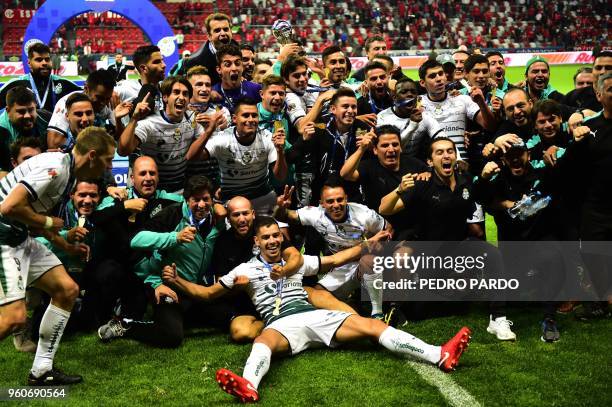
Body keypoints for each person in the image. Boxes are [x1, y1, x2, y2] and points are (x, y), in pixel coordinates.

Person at [161, 216, 471, 403]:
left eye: (275, 236)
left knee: (371, 326)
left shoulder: (296, 262)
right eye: (265, 237)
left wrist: (369, 244)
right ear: (256, 241)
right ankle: (248, 387)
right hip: (280, 323)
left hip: (315, 316)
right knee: (262, 341)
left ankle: (439, 354)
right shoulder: (245, 270)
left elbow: (336, 260)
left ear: (281, 239)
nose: (272, 241)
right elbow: (207, 293)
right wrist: (177, 281)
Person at [0, 126, 115, 385]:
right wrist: (51, 224)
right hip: (3, 239)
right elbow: (9, 207)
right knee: (14, 318)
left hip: (17, 237)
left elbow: (28, 214)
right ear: (93, 156)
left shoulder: (68, 171)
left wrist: (65, 246)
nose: (109, 168)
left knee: (66, 290)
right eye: (108, 161)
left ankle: (41, 370)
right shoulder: (56, 168)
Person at [379, 137, 515, 340]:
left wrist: (485, 179)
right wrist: (399, 190)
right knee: (421, 311)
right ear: (430, 161)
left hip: (458, 247)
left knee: (491, 253)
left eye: (450, 151)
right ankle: (396, 307)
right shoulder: (421, 183)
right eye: (440, 152)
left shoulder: (465, 180)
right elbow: (384, 208)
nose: (446, 156)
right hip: (428, 252)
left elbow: (483, 198)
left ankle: (498, 319)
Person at [97, 176, 230, 348]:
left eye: (206, 199)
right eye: (196, 200)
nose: (201, 205)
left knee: (228, 318)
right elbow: (136, 240)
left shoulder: (215, 219)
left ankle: (184, 315)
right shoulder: (172, 214)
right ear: (186, 199)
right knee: (172, 336)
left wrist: (222, 208)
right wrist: (175, 237)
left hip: (194, 288)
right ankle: (125, 324)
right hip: (168, 286)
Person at [275, 179, 393, 318]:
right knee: (317, 296)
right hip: (342, 265)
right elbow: (284, 215)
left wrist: (378, 247)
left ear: (346, 199)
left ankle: (377, 312)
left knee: (369, 260)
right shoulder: (315, 214)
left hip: (369, 261)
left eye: (340, 200)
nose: (336, 205)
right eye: (330, 201)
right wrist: (281, 207)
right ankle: (353, 305)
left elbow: (388, 229)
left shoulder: (364, 214)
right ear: (322, 203)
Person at [90, 156, 183, 322]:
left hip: (150, 269)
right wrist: (124, 206)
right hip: (120, 265)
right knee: (108, 274)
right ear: (132, 178)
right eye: (143, 173)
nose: (148, 178)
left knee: (135, 313)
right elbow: (95, 217)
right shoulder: (119, 197)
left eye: (152, 173)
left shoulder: (170, 200)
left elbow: (196, 203)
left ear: (158, 177)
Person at [557, 72, 612, 319]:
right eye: (611, 90)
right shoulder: (589, 129)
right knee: (594, 254)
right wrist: (574, 143)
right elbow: (570, 167)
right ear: (599, 95)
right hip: (595, 204)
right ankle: (599, 303)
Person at [119, 76, 218, 193]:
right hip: (151, 188)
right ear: (165, 97)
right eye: (176, 92)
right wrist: (134, 118)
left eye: (185, 94)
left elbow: (199, 154)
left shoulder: (192, 120)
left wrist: (209, 131)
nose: (181, 97)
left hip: (179, 187)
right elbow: (123, 151)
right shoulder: (150, 123)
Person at [189, 98, 287, 214]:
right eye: (246, 115)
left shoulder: (267, 137)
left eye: (254, 115)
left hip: (262, 195)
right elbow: (191, 157)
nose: (251, 120)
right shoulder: (223, 138)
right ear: (235, 119)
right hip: (231, 199)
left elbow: (281, 177)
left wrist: (280, 151)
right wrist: (209, 130)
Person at [340, 125, 429, 240]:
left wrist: (428, 174)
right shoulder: (368, 166)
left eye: (395, 144)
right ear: (375, 150)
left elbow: (430, 175)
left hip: (410, 228)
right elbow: (345, 174)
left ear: (401, 147)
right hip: (378, 227)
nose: (391, 149)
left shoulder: (414, 164)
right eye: (385, 145)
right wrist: (362, 148)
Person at [289, 88, 369, 204]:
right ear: (333, 109)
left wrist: (371, 148)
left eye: (354, 107)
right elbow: (291, 157)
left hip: (351, 192)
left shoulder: (362, 129)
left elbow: (367, 163)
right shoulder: (320, 127)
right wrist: (304, 140)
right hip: (321, 193)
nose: (351, 111)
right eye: (345, 106)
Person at [418, 59, 496, 162]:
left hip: (461, 167)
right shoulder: (417, 104)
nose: (438, 79)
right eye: (432, 76)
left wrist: (481, 103)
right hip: (432, 168)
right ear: (422, 83)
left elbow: (490, 126)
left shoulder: (463, 99)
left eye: (441, 74)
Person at [376, 77, 444, 160]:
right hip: (388, 163)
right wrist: (413, 125)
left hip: (413, 164)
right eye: (403, 92)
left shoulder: (425, 117)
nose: (410, 95)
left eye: (413, 92)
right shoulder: (383, 118)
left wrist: (459, 159)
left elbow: (443, 138)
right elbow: (394, 148)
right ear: (394, 97)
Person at [47, 69, 117, 149]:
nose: (103, 103)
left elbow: (120, 140)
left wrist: (118, 119)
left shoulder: (110, 100)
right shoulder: (67, 103)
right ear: (86, 89)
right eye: (99, 98)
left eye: (107, 98)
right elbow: (53, 144)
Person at [0, 42, 80, 112]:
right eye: (39, 60)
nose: (44, 63)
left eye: (47, 59)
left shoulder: (63, 83)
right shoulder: (16, 85)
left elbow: (87, 96)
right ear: (29, 63)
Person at [185, 65, 230, 185]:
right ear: (188, 88)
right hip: (187, 178)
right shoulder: (180, 114)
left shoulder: (221, 112)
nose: (204, 89)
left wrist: (222, 128)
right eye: (199, 84)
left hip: (216, 179)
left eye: (208, 85)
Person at [170, 13, 236, 83]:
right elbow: (169, 82)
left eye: (226, 29)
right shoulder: (192, 62)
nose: (223, 33)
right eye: (217, 30)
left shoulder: (242, 53)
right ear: (209, 36)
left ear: (231, 32)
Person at [0, 87, 50, 172]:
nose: (27, 116)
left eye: (31, 110)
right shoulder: (2, 131)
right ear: (8, 111)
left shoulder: (47, 119)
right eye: (21, 111)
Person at [212, 44, 262, 113]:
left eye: (237, 63)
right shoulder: (212, 93)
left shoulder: (256, 90)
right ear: (219, 70)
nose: (234, 68)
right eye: (228, 64)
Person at [114, 45, 166, 110]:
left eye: (162, 60)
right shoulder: (127, 89)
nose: (164, 65)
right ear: (143, 68)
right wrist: (110, 92)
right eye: (157, 62)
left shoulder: (165, 89)